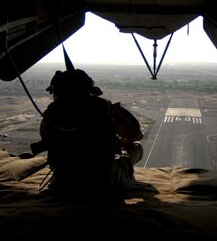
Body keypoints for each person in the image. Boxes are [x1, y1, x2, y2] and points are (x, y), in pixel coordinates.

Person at [34, 68, 142, 203]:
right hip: (103, 182)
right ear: (89, 89)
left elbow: (47, 140)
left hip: (63, 182)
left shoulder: (51, 114)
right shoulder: (103, 107)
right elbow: (137, 135)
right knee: (136, 148)